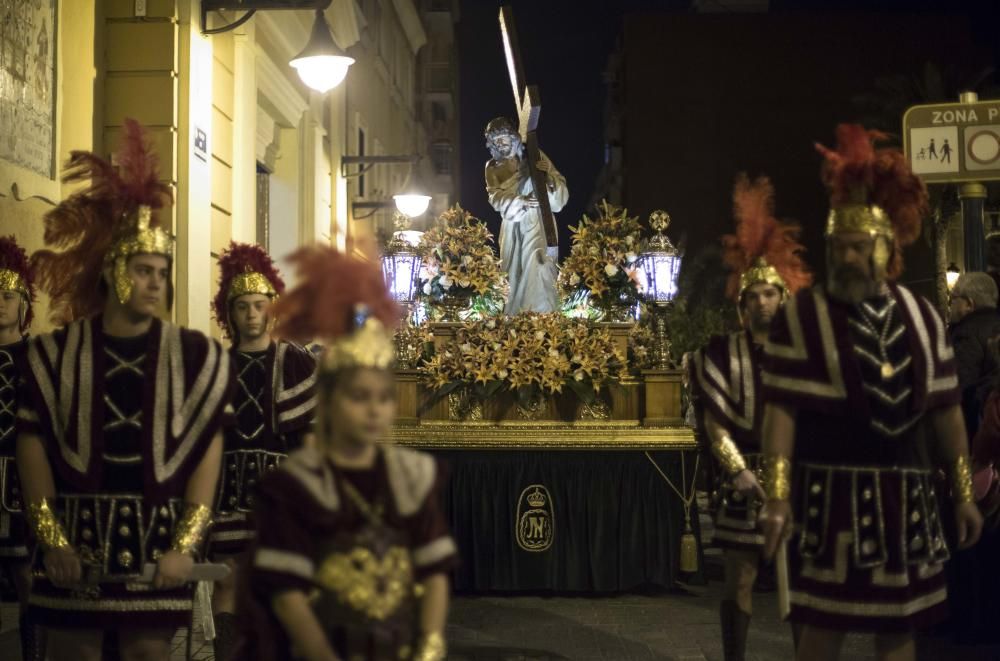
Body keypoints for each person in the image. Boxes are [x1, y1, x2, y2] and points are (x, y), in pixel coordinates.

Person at [758, 124, 983, 661]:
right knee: (823, 624)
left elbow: (946, 410)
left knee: (900, 625)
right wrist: (777, 495)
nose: (849, 257)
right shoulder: (803, 316)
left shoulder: (924, 317)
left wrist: (965, 494)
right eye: (840, 247)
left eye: (860, 247)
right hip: (828, 499)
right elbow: (782, 412)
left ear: (885, 249)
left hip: (905, 496)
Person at [14, 119, 235, 661]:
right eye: (143, 269)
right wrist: (53, 541)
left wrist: (185, 545)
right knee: (75, 652)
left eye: (161, 271)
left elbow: (209, 450)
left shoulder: (194, 357)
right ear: (114, 272)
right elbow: (32, 443)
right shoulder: (52, 353)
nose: (156, 281)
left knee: (147, 653)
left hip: (157, 540)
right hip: (75, 537)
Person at [238, 243, 457, 661]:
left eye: (382, 397)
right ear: (332, 401)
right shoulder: (295, 486)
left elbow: (433, 571)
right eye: (359, 397)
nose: (374, 410)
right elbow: (287, 594)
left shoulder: (410, 476)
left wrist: (428, 646)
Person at [689, 174, 812, 661]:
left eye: (770, 294)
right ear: (742, 302)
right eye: (754, 295)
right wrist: (737, 469)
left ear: (784, 297)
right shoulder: (721, 353)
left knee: (801, 579)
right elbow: (714, 419)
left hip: (797, 478)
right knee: (739, 577)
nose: (763, 301)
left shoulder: (806, 353)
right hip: (742, 480)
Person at [208, 242, 317, 660]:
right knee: (227, 581)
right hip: (226, 489)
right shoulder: (215, 364)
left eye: (259, 305)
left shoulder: (296, 362)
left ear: (271, 307)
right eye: (242, 307)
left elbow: (310, 438)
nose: (252, 315)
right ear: (229, 312)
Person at [0, 236, 41, 660]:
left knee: (26, 573)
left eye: (8, 295)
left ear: (23, 304)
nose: (0, 303)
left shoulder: (36, 357)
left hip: (20, 481)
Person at [484, 116, 569, 315]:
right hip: (513, 223)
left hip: (538, 220)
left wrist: (547, 178)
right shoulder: (492, 167)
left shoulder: (534, 154)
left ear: (514, 137)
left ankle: (541, 319)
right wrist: (520, 201)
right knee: (513, 273)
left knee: (539, 263)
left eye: (504, 139)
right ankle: (515, 322)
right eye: (496, 142)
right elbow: (495, 197)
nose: (501, 145)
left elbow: (559, 193)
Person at [947, 272, 1000, 437]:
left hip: (981, 433)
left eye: (953, 299)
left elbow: (962, 390)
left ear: (969, 304)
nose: (950, 305)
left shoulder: (965, 334)